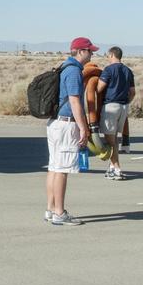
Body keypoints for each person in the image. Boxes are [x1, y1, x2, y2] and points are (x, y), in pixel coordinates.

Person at [45, 37, 97, 226]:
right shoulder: (74, 71)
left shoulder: (64, 67)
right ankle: (59, 212)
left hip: (55, 124)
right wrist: (83, 127)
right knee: (62, 169)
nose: (92, 54)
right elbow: (75, 101)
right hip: (66, 125)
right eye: (90, 51)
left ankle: (51, 209)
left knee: (54, 167)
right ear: (81, 51)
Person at [94, 46, 136, 180]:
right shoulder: (128, 71)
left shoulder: (109, 69)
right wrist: (126, 102)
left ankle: (117, 168)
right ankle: (112, 167)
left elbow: (99, 88)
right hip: (123, 107)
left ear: (112, 55)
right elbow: (133, 92)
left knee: (109, 139)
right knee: (114, 139)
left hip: (111, 107)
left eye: (108, 55)